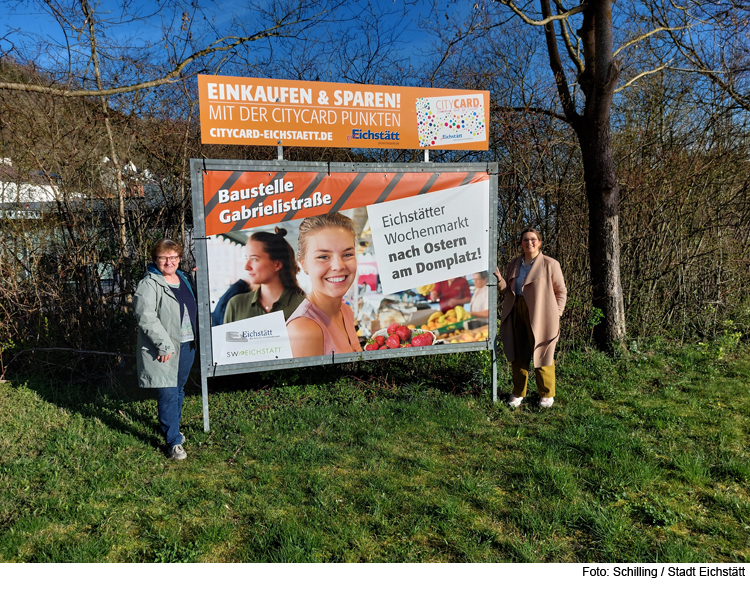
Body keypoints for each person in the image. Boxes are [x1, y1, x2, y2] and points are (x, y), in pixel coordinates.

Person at [134, 238, 196, 460]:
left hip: (187, 345)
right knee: (168, 392)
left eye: (173, 257)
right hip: (165, 349)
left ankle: (173, 429)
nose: (169, 261)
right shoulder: (149, 284)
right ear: (155, 260)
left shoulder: (184, 278)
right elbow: (145, 317)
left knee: (178, 389)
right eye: (163, 257)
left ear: (179, 258)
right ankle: (173, 442)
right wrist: (163, 345)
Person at [496, 227, 567, 408]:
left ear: (540, 242)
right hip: (517, 311)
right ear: (521, 243)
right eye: (526, 240)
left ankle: (546, 394)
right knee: (519, 353)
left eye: (533, 239)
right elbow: (508, 291)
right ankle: (518, 392)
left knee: (543, 351)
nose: (530, 243)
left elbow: (561, 292)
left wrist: (556, 314)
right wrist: (498, 279)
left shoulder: (551, 264)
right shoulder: (514, 264)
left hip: (542, 315)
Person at [286, 213, 362, 357]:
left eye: (347, 254)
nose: (338, 266)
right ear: (304, 265)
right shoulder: (303, 329)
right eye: (323, 257)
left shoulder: (346, 312)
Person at [223, 228, 305, 323]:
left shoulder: (303, 306)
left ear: (277, 264)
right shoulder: (236, 305)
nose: (246, 266)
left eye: (254, 259)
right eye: (247, 258)